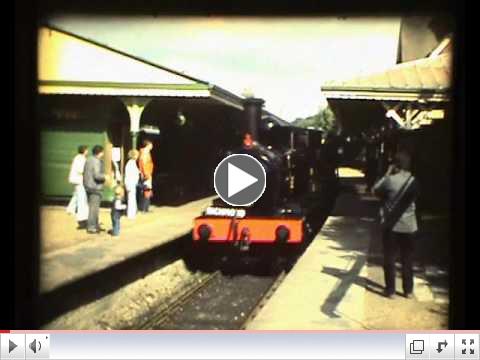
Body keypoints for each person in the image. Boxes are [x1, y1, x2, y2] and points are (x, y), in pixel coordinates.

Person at [373, 151, 419, 299]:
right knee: (407, 259)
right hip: (409, 226)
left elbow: (375, 191)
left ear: (395, 165)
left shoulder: (390, 181)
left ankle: (391, 290)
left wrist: (387, 173)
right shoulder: (414, 180)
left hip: (391, 226)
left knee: (389, 258)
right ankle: (408, 291)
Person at [83, 145, 107, 234]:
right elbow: (97, 175)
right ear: (100, 152)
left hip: (88, 186)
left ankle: (94, 225)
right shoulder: (96, 161)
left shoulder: (88, 159)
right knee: (94, 208)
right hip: (95, 187)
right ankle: (92, 227)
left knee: (92, 207)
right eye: (102, 152)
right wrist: (105, 177)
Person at [66, 145, 89, 228]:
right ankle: (82, 218)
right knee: (82, 199)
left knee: (76, 195)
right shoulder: (80, 158)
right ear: (84, 151)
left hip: (77, 180)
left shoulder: (78, 158)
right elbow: (81, 170)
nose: (88, 152)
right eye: (87, 150)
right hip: (79, 180)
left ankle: (70, 209)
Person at [138, 140, 154, 213]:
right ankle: (144, 208)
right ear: (148, 145)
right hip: (147, 173)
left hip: (148, 173)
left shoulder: (145, 152)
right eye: (151, 144)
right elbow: (143, 164)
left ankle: (146, 207)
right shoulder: (145, 153)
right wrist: (146, 174)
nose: (152, 146)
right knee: (146, 190)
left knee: (147, 190)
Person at [124, 149, 140, 219]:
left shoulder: (132, 163)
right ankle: (130, 214)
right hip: (130, 183)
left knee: (132, 198)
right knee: (131, 198)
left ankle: (133, 212)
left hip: (132, 183)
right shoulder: (131, 163)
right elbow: (130, 174)